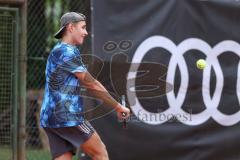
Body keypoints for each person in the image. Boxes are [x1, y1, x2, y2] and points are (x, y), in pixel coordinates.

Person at [40, 12, 130, 160]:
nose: (86, 32)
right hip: (68, 116)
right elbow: (92, 84)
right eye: (83, 28)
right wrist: (118, 107)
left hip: (50, 117)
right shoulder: (67, 52)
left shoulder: (58, 50)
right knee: (100, 153)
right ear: (70, 27)